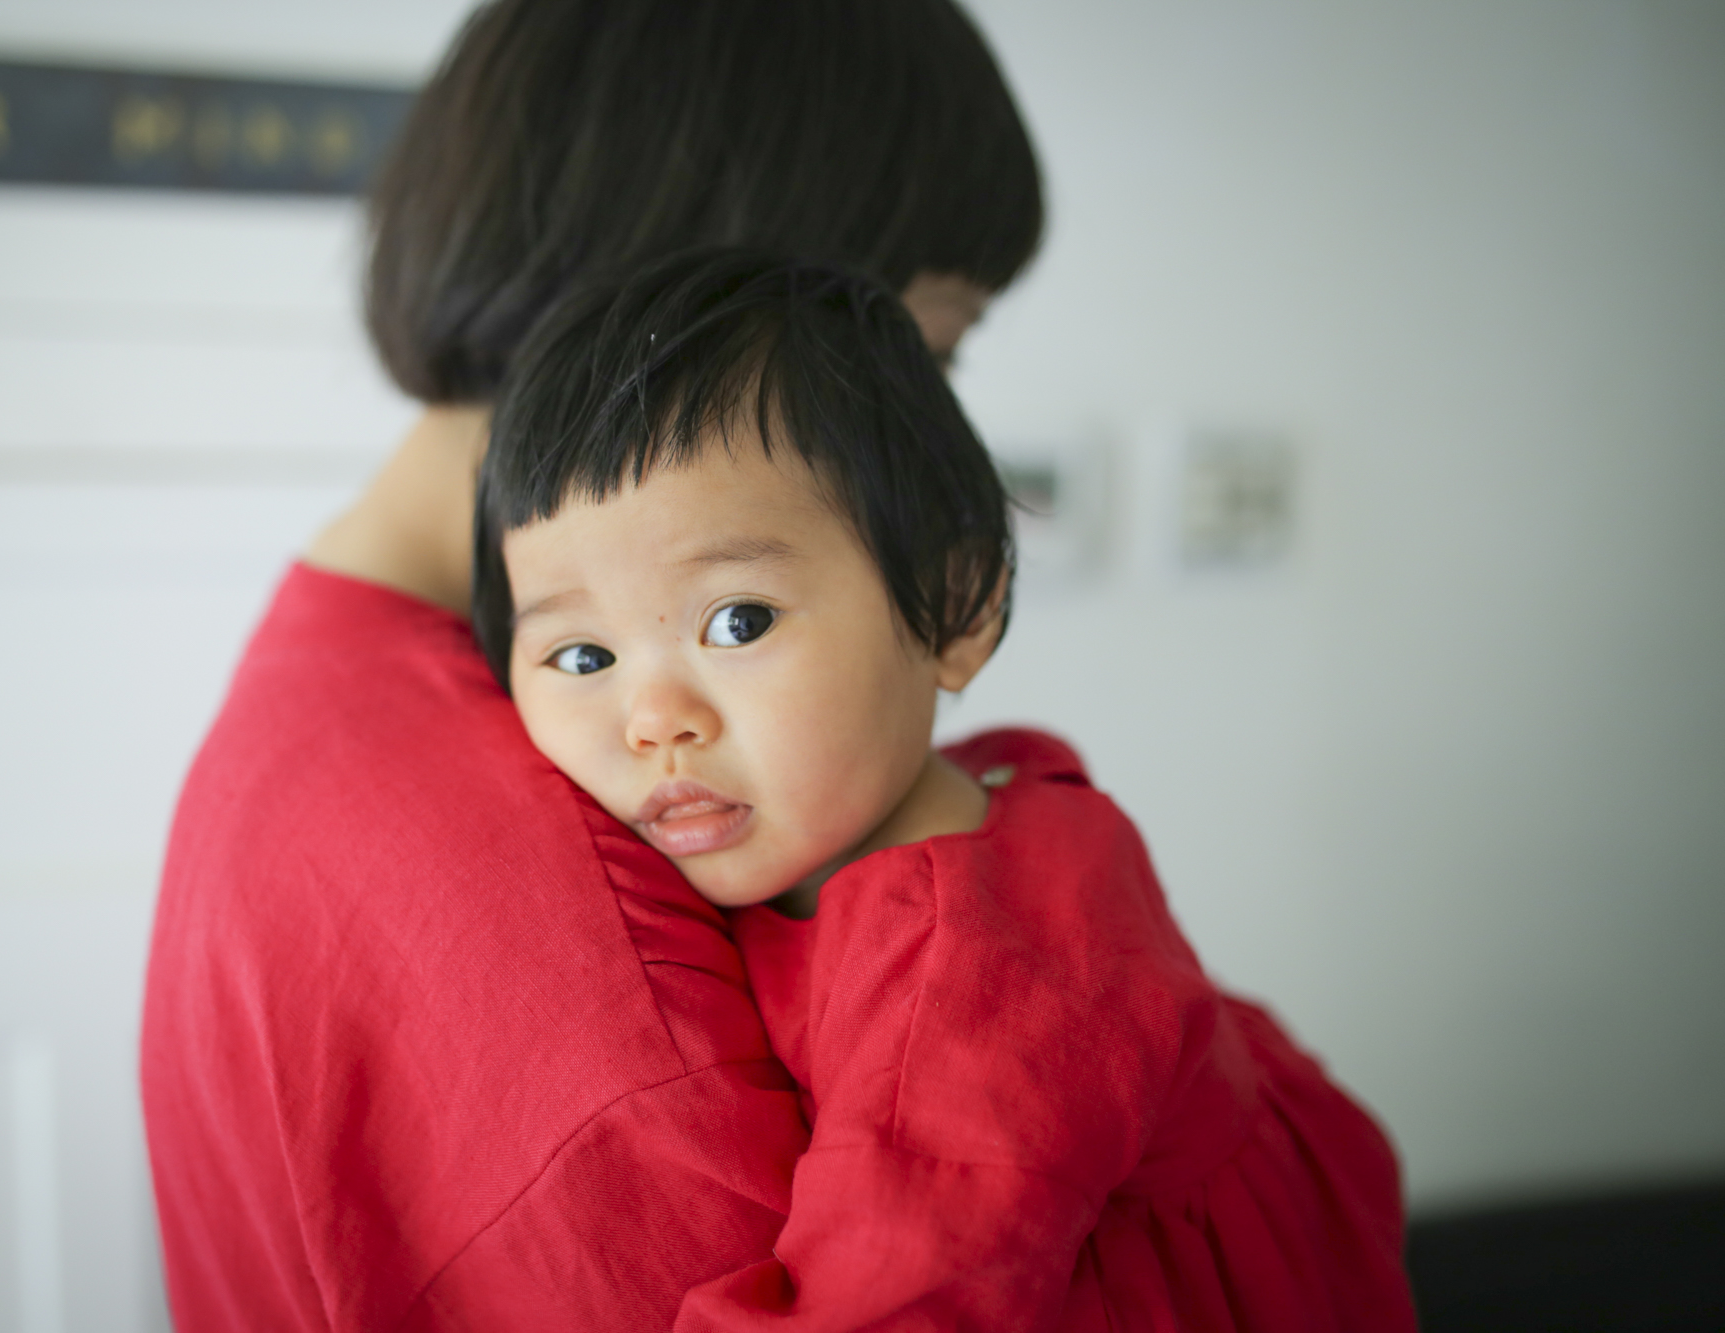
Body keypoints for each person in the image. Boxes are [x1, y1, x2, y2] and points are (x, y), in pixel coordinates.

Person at [141, 0, 1044, 1328]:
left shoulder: (323, 673)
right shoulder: (549, 887)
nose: (934, 417)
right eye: (927, 348)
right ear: (731, 294)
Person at [474, 248, 1417, 1328]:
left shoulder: (970, 983)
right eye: (582, 656)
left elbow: (894, 1307)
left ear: (955, 605)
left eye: (737, 621)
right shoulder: (838, 819)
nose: (653, 720)